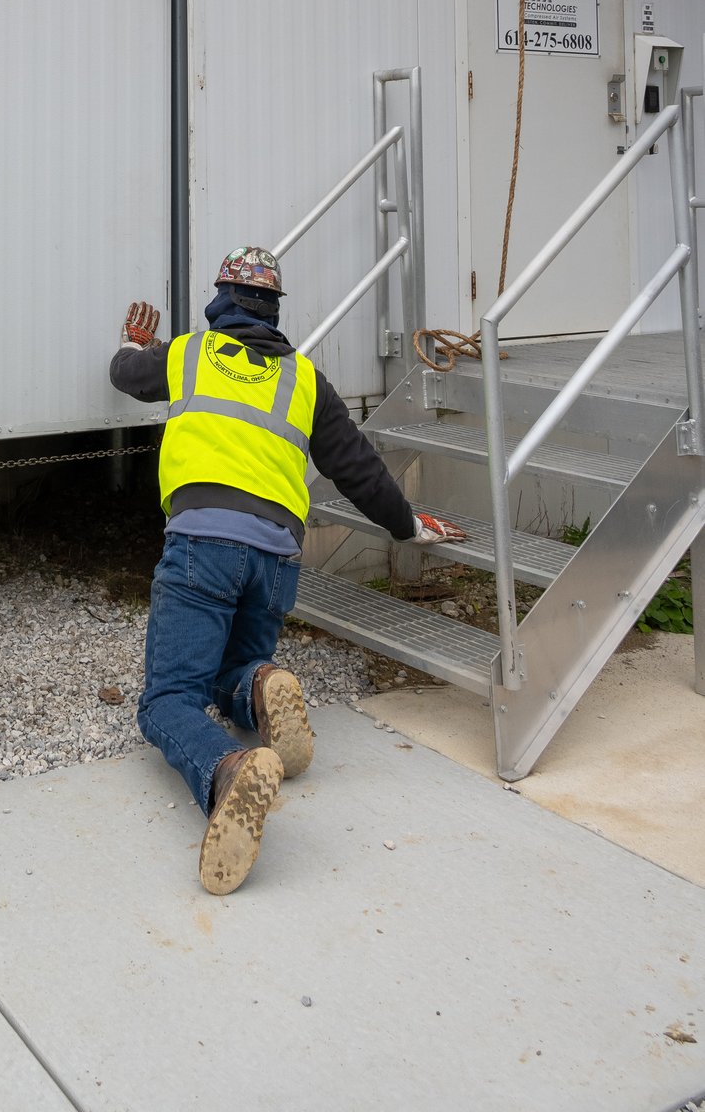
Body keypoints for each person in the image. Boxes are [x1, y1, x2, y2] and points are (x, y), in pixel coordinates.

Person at [112, 247, 463, 895]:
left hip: (202, 547)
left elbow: (125, 374)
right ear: (273, 307)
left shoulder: (187, 354)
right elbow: (355, 468)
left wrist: (136, 343)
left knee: (167, 698)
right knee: (229, 667)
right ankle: (259, 682)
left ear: (220, 298)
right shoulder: (305, 379)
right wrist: (407, 523)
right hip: (275, 558)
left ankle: (228, 767)